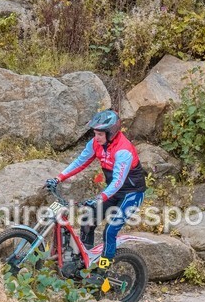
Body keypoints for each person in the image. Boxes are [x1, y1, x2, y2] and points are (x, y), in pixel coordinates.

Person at [45, 109, 147, 274]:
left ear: (111, 133)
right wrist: (58, 178)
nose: (96, 137)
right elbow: (80, 162)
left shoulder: (123, 150)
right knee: (87, 220)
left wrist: (100, 197)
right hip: (113, 192)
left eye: (100, 134)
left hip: (131, 194)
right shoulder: (96, 143)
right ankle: (84, 263)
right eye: (95, 133)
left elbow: (118, 181)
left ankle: (103, 270)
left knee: (110, 230)